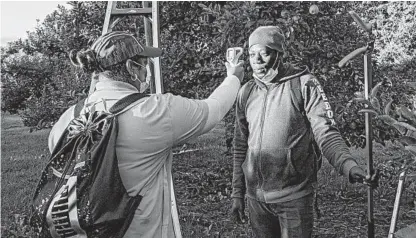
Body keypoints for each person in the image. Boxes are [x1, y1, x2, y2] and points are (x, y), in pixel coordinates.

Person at [48, 31, 244, 237]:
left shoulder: (69, 117)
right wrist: (233, 78)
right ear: (131, 67)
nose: (147, 70)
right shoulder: (155, 111)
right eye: (144, 63)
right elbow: (213, 110)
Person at [230, 26, 377, 238]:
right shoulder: (246, 92)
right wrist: (238, 193)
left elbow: (326, 133)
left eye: (265, 52)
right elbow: (240, 146)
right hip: (257, 201)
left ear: (279, 54)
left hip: (294, 198)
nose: (257, 60)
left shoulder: (304, 84)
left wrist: (349, 166)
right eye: (252, 54)